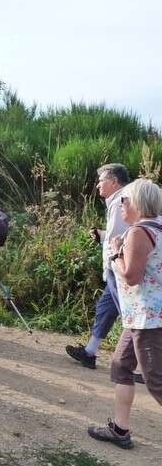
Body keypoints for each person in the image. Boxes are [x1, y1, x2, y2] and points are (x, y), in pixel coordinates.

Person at [88, 178, 162, 450]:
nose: (121, 205)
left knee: (156, 381)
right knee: (121, 366)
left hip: (147, 319)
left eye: (124, 200)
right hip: (142, 316)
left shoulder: (138, 232)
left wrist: (116, 251)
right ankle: (120, 430)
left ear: (137, 203)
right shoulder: (159, 226)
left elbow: (131, 276)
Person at [66, 164, 130, 369]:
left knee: (133, 318)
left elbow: (119, 240)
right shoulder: (120, 200)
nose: (98, 185)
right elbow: (117, 235)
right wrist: (102, 235)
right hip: (117, 268)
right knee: (105, 309)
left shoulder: (121, 200)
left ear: (114, 182)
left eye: (102, 180)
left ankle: (149, 365)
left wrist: (112, 260)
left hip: (121, 268)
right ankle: (89, 352)